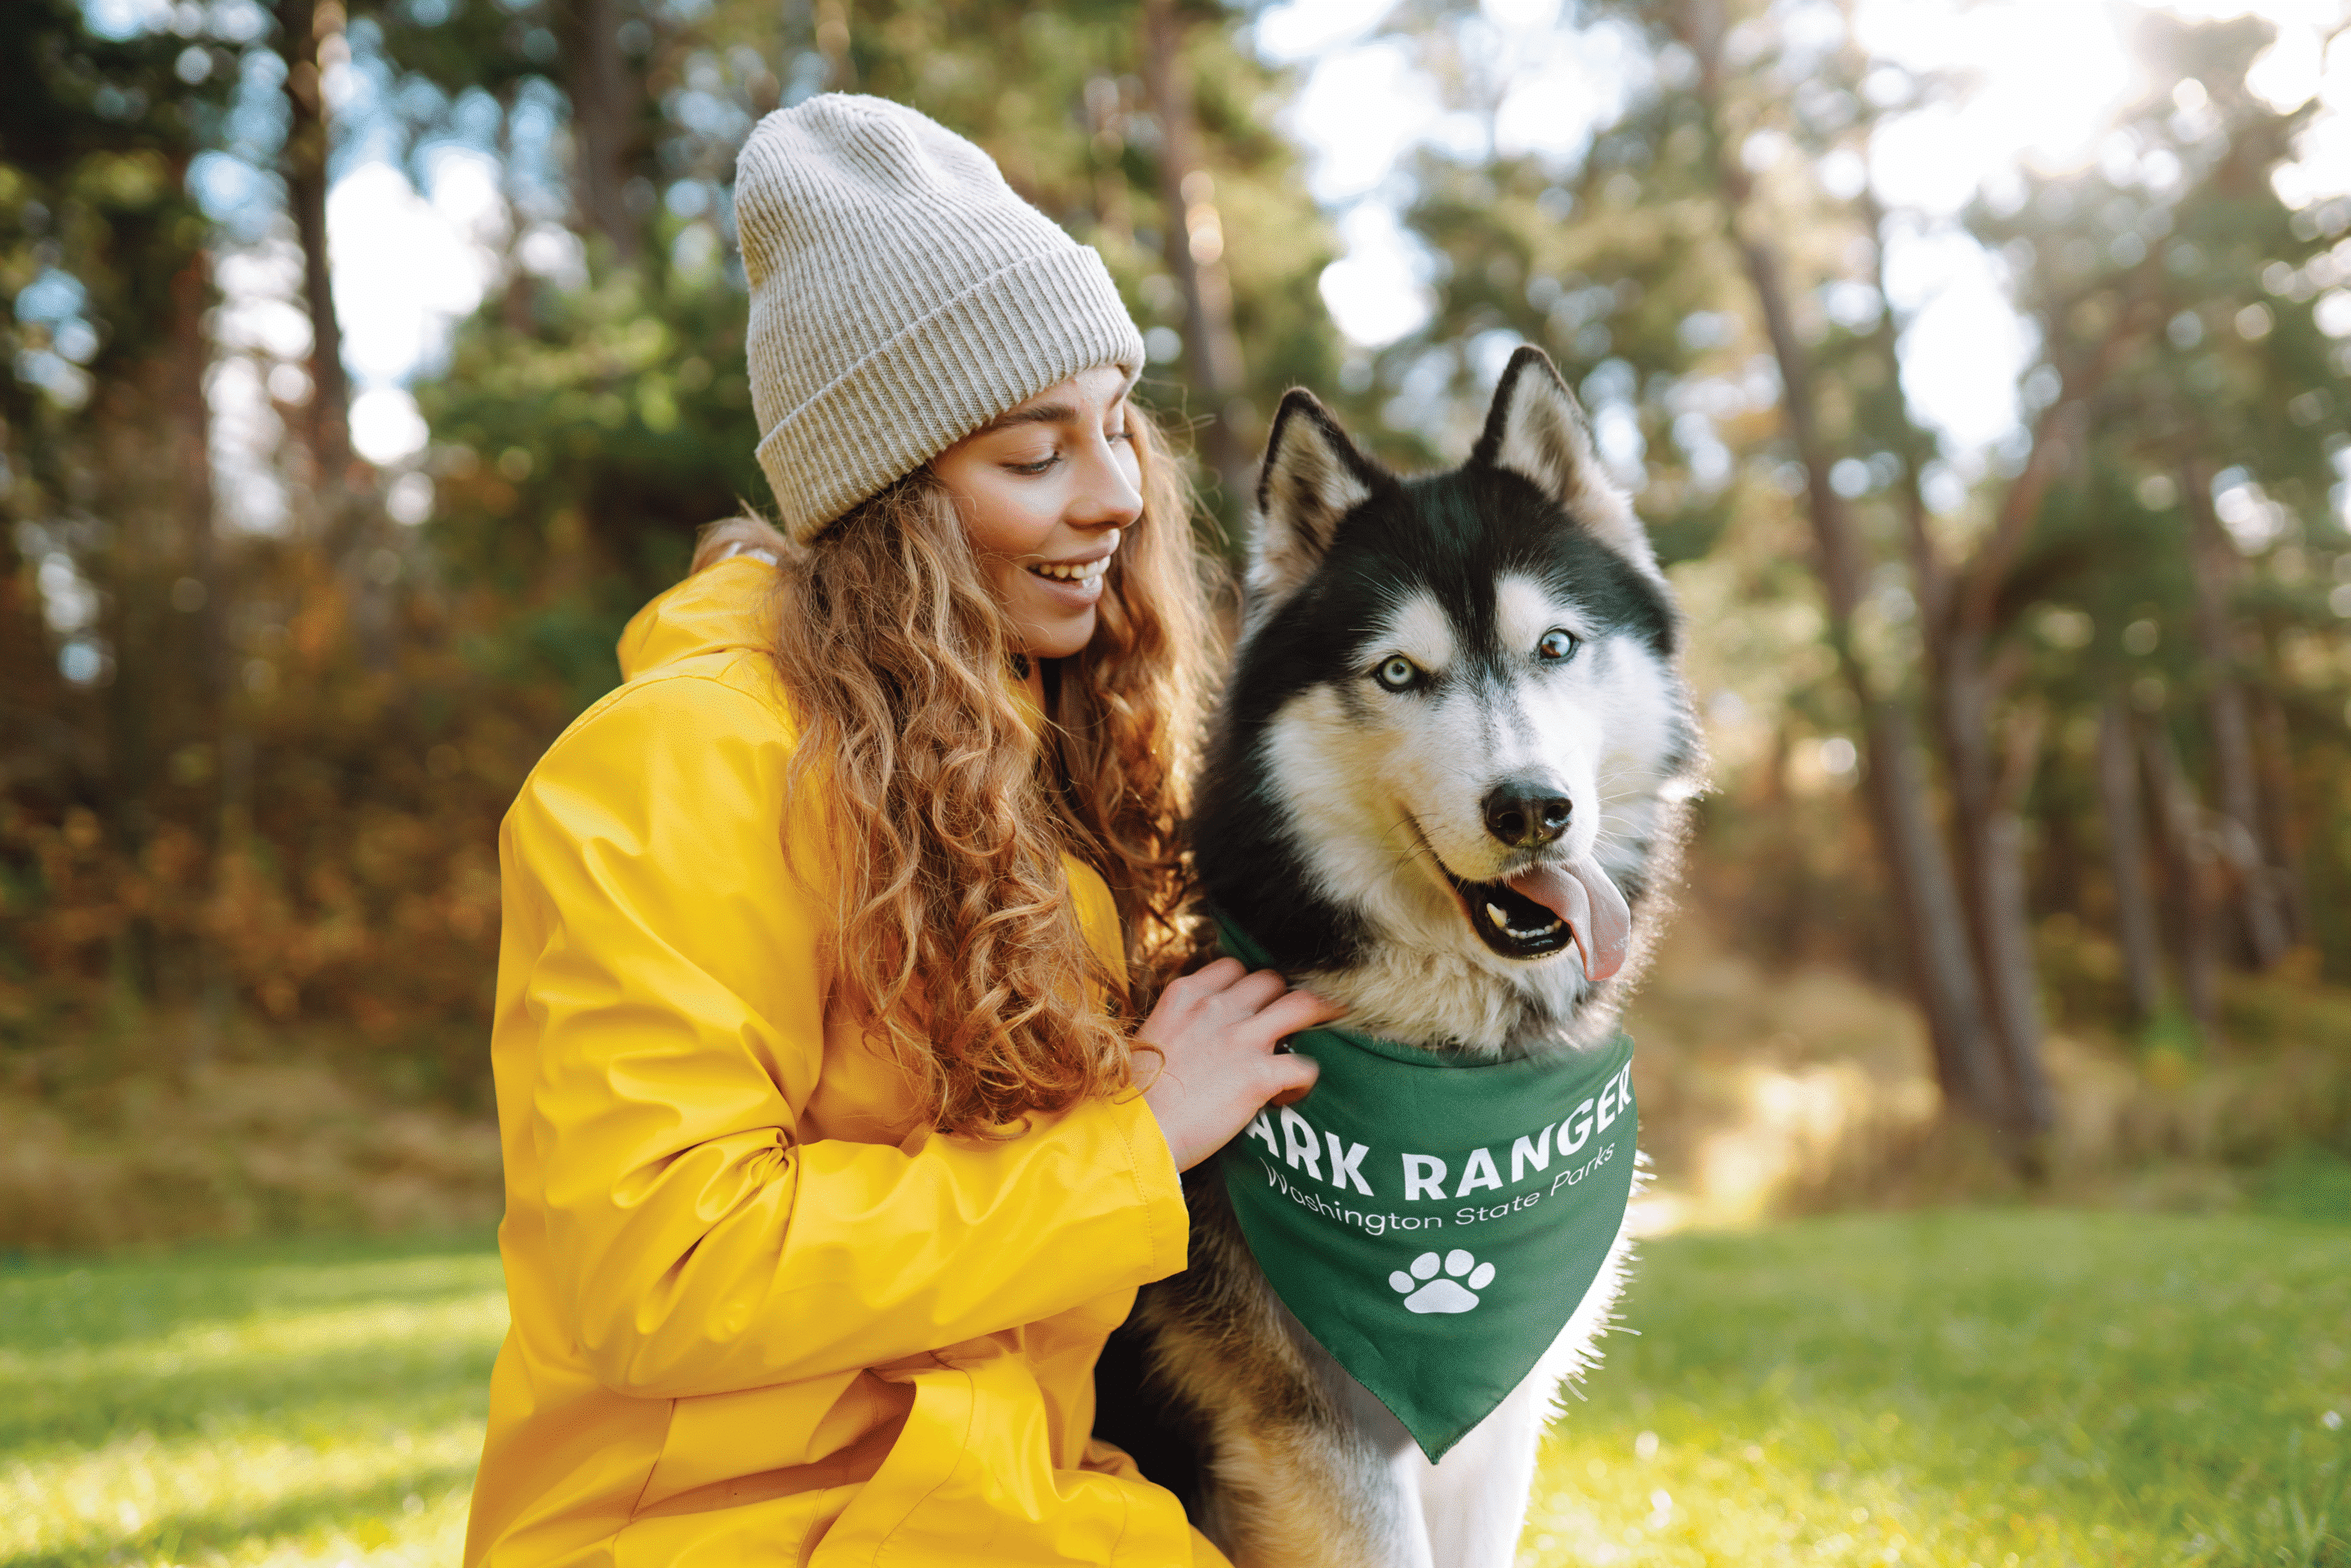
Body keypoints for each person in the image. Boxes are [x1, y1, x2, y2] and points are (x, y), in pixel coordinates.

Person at [462, 94, 1339, 1567]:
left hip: (1023, 1508)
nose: (1119, 495)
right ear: (889, 505)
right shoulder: (667, 764)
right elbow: (663, 1268)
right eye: (1034, 455)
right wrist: (1132, 1145)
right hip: (712, 1531)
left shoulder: (1048, 760)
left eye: (1116, 428)